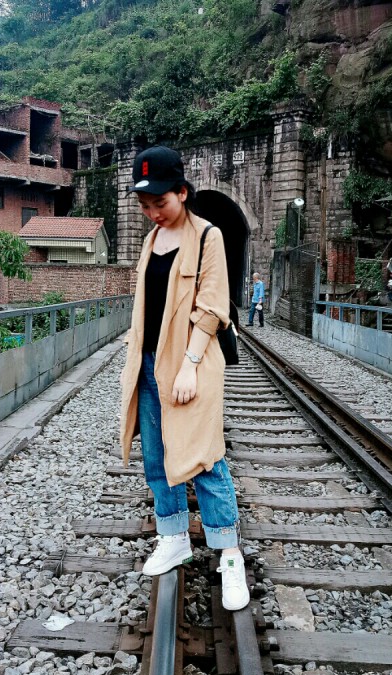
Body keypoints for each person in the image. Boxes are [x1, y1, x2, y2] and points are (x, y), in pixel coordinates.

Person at [119, 145, 250, 612]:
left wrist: (190, 366)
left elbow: (213, 307)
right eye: (145, 205)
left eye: (160, 202)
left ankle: (229, 554)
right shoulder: (151, 240)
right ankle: (173, 537)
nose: (153, 212)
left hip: (189, 363)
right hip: (149, 363)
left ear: (182, 192)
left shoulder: (208, 236)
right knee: (156, 456)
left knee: (205, 457)